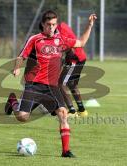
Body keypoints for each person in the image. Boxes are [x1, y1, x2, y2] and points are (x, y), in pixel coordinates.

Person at [6, 10, 97, 157]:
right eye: (48, 24)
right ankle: (13, 102)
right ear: (43, 24)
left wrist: (90, 25)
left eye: (54, 24)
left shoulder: (61, 40)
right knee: (22, 117)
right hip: (33, 85)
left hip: (52, 87)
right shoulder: (35, 39)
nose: (51, 27)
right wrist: (16, 68)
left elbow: (81, 42)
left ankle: (66, 151)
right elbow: (21, 56)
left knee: (63, 113)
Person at [57, 22, 88, 117]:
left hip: (74, 58)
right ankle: (82, 111)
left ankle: (72, 110)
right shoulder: (62, 26)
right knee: (72, 84)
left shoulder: (59, 30)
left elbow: (67, 47)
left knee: (61, 83)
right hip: (79, 57)